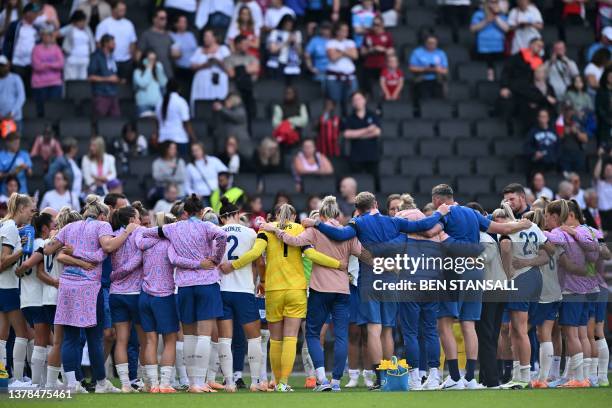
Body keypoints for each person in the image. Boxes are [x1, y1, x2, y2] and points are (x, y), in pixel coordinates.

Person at [301, 192, 451, 389]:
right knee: (387, 330)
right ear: (376, 204)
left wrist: (317, 224)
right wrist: (439, 213)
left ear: (359, 209)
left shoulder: (358, 223)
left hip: (370, 280)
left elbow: (339, 235)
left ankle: (380, 378)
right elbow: (422, 225)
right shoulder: (393, 221)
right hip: (390, 279)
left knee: (374, 329)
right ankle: (389, 378)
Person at [220, 203, 342, 392]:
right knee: (291, 337)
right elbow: (311, 254)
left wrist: (232, 266)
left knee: (275, 340)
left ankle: (276, 382)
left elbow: (254, 254)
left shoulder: (266, 231)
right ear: (293, 216)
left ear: (276, 216)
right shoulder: (301, 229)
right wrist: (336, 264)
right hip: (296, 289)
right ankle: (284, 382)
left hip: (274, 289)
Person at [262, 196, 364, 392]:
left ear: (322, 214)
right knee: (341, 335)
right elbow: (361, 253)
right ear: (338, 214)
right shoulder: (348, 233)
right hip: (342, 290)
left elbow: (294, 241)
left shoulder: (314, 231)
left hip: (319, 290)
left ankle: (320, 378)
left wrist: (276, 230)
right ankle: (336, 381)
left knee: (312, 333)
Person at [44, 194, 140, 393]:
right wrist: (126, 233)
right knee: (94, 337)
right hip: (89, 288)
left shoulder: (69, 227)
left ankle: (72, 383)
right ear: (103, 216)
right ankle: (102, 383)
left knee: (70, 337)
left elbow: (47, 250)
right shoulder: (102, 226)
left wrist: (72, 251)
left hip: (67, 286)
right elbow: (107, 246)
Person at [141, 194, 228, 393]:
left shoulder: (173, 228)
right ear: (200, 212)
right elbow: (222, 236)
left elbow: (149, 233)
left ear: (185, 213)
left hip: (184, 286)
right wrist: (216, 258)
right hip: (207, 282)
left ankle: (192, 383)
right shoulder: (206, 226)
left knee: (188, 336)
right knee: (205, 336)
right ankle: (199, 381)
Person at [213, 197, 266, 391]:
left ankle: (229, 382)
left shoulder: (216, 232)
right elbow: (259, 261)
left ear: (221, 218)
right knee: (253, 338)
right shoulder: (250, 232)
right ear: (237, 214)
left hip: (221, 289)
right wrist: (262, 282)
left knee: (224, 339)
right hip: (244, 290)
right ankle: (255, 382)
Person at [494, 203, 548, 389]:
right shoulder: (532, 226)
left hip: (520, 279)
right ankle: (519, 374)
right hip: (535, 277)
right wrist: (529, 261)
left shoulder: (507, 230)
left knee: (519, 329)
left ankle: (523, 377)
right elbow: (549, 252)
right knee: (515, 330)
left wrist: (508, 271)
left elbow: (507, 246)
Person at [135, 210, 179, 393]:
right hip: (164, 296)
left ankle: (153, 384)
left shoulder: (145, 243)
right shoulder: (171, 244)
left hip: (144, 295)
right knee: (170, 340)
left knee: (150, 341)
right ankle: (165, 383)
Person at [107, 206, 146, 393]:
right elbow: (139, 258)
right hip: (135, 294)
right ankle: (147, 381)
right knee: (145, 340)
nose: (140, 221)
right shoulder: (140, 232)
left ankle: (124, 384)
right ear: (131, 219)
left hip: (116, 294)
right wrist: (120, 274)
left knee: (121, 340)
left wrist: (114, 275)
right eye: (138, 217)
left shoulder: (113, 235)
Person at [0, 193, 31, 385]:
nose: (31, 213)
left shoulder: (8, 226)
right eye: (30, 209)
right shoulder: (10, 227)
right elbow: (3, 260)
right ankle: (17, 378)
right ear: (21, 208)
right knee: (22, 333)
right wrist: (21, 250)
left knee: (2, 334)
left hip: (3, 286)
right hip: (8, 286)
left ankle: (4, 376)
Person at [342, 91, 381, 179]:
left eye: (359, 99)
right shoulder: (349, 118)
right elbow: (347, 134)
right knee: (357, 181)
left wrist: (357, 135)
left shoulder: (372, 115)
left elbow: (377, 132)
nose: (357, 101)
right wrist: (367, 130)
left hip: (372, 155)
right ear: (352, 103)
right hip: (356, 156)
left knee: (375, 182)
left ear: (364, 100)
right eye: (354, 100)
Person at [94, 1, 137, 81]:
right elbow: (98, 44)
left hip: (126, 61)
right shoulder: (104, 24)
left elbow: (132, 43)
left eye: (124, 10)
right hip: (109, 61)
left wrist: (131, 57)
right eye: (120, 10)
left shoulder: (129, 24)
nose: (123, 12)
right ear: (113, 10)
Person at [2, 2, 39, 93]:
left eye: (36, 13)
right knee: (16, 89)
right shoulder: (15, 25)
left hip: (31, 64)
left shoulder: (37, 28)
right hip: (17, 63)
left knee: (29, 90)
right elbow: (7, 42)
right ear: (27, 13)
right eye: (34, 13)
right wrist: (6, 58)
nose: (36, 15)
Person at [190, 29, 231, 109]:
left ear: (214, 38)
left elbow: (229, 67)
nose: (205, 38)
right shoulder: (199, 50)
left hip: (217, 80)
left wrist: (218, 62)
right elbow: (192, 66)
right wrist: (204, 65)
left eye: (208, 36)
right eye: (204, 36)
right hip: (201, 81)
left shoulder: (223, 49)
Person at [470, 0, 509, 81]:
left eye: (496, 2)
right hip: (483, 47)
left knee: (499, 70)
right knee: (487, 72)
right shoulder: (479, 14)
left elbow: (506, 29)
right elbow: (473, 29)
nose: (493, 5)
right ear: (487, 3)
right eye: (491, 2)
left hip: (499, 47)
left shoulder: (501, 15)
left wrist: (495, 17)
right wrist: (486, 20)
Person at [30, 24, 63, 117]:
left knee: (54, 109)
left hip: (54, 83)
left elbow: (60, 64)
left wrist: (45, 64)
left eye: (49, 35)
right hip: (39, 84)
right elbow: (36, 66)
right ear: (41, 36)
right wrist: (53, 65)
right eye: (44, 35)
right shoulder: (36, 49)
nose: (47, 37)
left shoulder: (57, 49)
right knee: (40, 110)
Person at [325, 22, 358, 114]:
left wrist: (340, 51)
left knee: (350, 100)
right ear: (337, 31)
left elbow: (355, 56)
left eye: (346, 31)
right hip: (334, 77)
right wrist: (346, 52)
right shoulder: (331, 43)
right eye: (342, 30)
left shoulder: (350, 42)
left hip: (349, 76)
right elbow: (333, 57)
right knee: (335, 100)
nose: (345, 32)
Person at [225, 35, 258, 124]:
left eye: (248, 44)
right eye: (244, 44)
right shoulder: (229, 59)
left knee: (251, 116)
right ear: (237, 45)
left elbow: (255, 69)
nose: (247, 46)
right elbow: (231, 74)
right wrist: (246, 69)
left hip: (249, 92)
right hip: (235, 92)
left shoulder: (252, 57)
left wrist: (239, 69)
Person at [156, 79, 195, 153]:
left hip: (163, 139)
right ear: (179, 89)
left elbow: (157, 123)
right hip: (179, 139)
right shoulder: (181, 102)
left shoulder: (159, 103)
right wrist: (193, 138)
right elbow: (186, 123)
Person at [88, 34, 121, 118]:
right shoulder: (96, 57)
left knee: (115, 119)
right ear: (106, 44)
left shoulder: (112, 57)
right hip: (101, 94)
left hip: (113, 93)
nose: (115, 45)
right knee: (100, 119)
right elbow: (91, 77)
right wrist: (107, 79)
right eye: (112, 43)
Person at [138, 8, 177, 79]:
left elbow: (174, 53)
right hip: (153, 76)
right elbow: (138, 56)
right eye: (162, 18)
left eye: (166, 18)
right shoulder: (146, 35)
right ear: (154, 19)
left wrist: (177, 53)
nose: (165, 21)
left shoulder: (168, 36)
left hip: (168, 74)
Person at [409, 33, 449, 101]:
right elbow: (411, 68)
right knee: (424, 101)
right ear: (425, 42)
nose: (432, 45)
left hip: (437, 80)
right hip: (422, 80)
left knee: (438, 101)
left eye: (434, 43)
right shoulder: (417, 52)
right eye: (430, 43)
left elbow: (445, 70)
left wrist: (436, 69)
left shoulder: (440, 53)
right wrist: (425, 69)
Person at [361, 15, 393, 95]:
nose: (375, 27)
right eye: (374, 24)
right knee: (368, 89)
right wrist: (371, 50)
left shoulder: (387, 36)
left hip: (382, 66)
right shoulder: (368, 36)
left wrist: (382, 49)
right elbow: (362, 52)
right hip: (369, 65)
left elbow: (391, 51)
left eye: (378, 25)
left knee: (382, 89)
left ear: (382, 25)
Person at [60, 10, 95, 81]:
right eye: (81, 21)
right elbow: (57, 34)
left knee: (82, 82)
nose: (83, 23)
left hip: (84, 60)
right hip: (72, 60)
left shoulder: (87, 29)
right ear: (75, 21)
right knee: (70, 81)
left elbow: (91, 44)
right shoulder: (70, 28)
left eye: (84, 21)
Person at [266, 14, 302, 80]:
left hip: (292, 65)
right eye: (287, 24)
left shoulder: (297, 33)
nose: (289, 26)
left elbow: (299, 53)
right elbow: (273, 50)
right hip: (278, 63)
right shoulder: (275, 32)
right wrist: (286, 42)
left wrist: (296, 43)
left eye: (291, 24)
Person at [133, 50, 168, 117]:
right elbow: (143, 83)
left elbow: (163, 83)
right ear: (144, 60)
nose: (152, 62)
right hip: (144, 105)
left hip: (157, 104)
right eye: (150, 59)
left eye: (154, 59)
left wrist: (160, 70)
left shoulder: (157, 71)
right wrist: (148, 69)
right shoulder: (137, 72)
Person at [524, 109, 559, 175]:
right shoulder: (533, 131)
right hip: (539, 164)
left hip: (552, 164)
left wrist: (555, 158)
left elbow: (558, 147)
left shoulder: (554, 131)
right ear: (538, 118)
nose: (543, 119)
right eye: (541, 117)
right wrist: (534, 152)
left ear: (548, 118)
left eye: (545, 116)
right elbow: (527, 146)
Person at [170, 14, 197, 96]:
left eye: (185, 22)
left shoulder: (190, 35)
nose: (183, 24)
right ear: (175, 24)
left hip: (192, 69)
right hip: (180, 69)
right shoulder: (171, 35)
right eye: (181, 22)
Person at [557, 105, 588, 173]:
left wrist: (576, 132)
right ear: (563, 111)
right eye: (567, 110)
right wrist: (564, 131)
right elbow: (559, 137)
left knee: (580, 175)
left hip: (577, 152)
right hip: (564, 154)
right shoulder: (559, 121)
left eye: (571, 110)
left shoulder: (577, 122)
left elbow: (585, 139)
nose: (569, 112)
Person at [0, 55, 25, 130]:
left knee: (13, 141)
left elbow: (21, 97)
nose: (1, 68)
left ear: (7, 65)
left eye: (2, 65)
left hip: (14, 118)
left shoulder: (16, 78)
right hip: (0, 118)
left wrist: (12, 113)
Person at [595, 67, 612, 148]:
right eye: (610, 76)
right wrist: (608, 120)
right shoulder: (601, 91)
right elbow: (599, 108)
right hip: (604, 124)